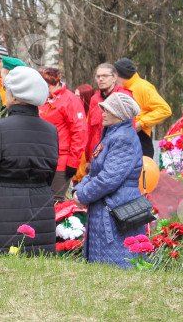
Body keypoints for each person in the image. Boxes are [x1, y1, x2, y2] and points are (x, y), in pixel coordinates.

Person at [0, 66, 57, 255]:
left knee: (3, 272)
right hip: (41, 204)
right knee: (38, 270)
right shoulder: (51, 130)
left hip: (3, 205)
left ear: (16, 97)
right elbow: (50, 171)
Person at [73, 93, 145, 269]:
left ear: (119, 115)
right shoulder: (112, 135)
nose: (102, 114)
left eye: (108, 110)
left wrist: (82, 195)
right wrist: (80, 191)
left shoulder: (123, 138)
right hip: (109, 205)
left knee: (117, 266)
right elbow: (96, 171)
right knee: (103, 265)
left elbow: (108, 179)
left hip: (117, 207)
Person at [75, 63, 133, 183]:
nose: (101, 79)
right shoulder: (94, 99)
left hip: (116, 156)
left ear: (114, 77)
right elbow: (90, 131)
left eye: (105, 76)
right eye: (98, 76)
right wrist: (89, 159)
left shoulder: (124, 96)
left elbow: (129, 130)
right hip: (97, 157)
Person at [38, 67, 87, 202]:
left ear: (55, 83)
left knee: (54, 202)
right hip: (41, 160)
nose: (44, 89)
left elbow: (80, 133)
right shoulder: (41, 99)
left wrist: (73, 163)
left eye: (46, 86)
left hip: (61, 162)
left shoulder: (70, 100)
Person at [114, 58, 172, 158]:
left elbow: (164, 109)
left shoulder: (142, 86)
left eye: (114, 75)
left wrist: (141, 123)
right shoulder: (122, 87)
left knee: (143, 171)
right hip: (124, 135)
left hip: (141, 137)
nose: (113, 79)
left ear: (121, 75)